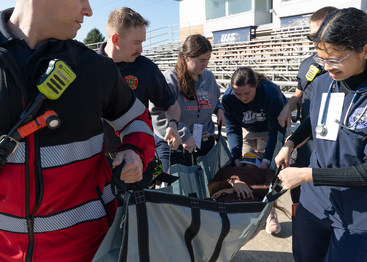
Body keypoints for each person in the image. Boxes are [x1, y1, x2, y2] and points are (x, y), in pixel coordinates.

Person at [0, 1, 155, 262]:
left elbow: (137, 120)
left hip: (91, 252)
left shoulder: (95, 68)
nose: (88, 10)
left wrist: (135, 151)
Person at [275, 7, 367, 262]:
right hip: (317, 203)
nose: (327, 67)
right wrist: (289, 143)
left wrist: (307, 175)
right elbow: (316, 119)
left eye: (335, 59)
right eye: (322, 59)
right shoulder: (325, 83)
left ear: (366, 51)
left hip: (361, 214)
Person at [98, 7, 181, 188]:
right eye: (137, 43)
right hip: (98, 164)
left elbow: (171, 104)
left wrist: (173, 125)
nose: (141, 49)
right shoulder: (90, 67)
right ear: (115, 39)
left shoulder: (145, 68)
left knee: (139, 214)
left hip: (138, 162)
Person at [277, 6, 338, 205]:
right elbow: (298, 93)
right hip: (306, 136)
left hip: (332, 140)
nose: (315, 41)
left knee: (328, 190)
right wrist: (288, 107)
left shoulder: (343, 68)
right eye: (311, 36)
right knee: (298, 187)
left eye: (319, 34)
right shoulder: (307, 64)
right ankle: (300, 221)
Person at [152, 34, 225, 172]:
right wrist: (183, 135)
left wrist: (219, 108)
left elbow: (215, 99)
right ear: (185, 56)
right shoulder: (170, 79)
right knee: (176, 190)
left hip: (204, 144)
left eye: (208, 59)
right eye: (201, 60)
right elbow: (159, 117)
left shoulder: (208, 76)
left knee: (206, 188)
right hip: (175, 147)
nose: (205, 64)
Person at [208, 152, 290, 234]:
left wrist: (235, 189)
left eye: (257, 153)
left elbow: (271, 188)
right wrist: (233, 183)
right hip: (222, 202)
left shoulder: (266, 171)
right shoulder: (226, 169)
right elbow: (210, 187)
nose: (251, 151)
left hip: (249, 204)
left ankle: (270, 212)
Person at [222, 67, 287, 170]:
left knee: (270, 166)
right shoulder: (228, 98)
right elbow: (233, 130)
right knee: (245, 165)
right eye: (238, 93)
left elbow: (275, 131)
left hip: (271, 128)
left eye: (247, 93)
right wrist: (236, 158)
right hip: (247, 129)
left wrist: (266, 160)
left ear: (256, 85)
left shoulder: (271, 95)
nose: (243, 98)